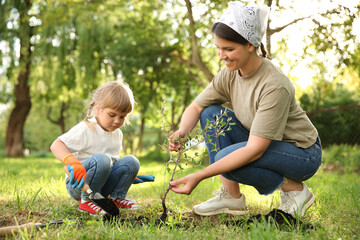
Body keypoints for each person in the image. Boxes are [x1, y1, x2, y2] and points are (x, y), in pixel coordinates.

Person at [168, 1, 322, 218]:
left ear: (251, 44)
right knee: (210, 114)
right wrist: (183, 131)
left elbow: (254, 150)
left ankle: (295, 190)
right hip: (263, 142)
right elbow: (196, 106)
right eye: (219, 48)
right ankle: (232, 198)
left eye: (229, 49)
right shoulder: (230, 72)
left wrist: (199, 175)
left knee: (226, 161)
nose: (222, 56)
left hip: (301, 153)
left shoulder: (274, 85)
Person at [50, 81, 140, 215]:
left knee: (132, 162)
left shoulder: (117, 134)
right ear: (98, 108)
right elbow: (56, 145)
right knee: (103, 159)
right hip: (79, 184)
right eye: (112, 115)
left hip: (102, 186)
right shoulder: (85, 129)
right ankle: (86, 202)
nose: (117, 121)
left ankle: (116, 198)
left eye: (122, 116)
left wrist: (127, 174)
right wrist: (72, 162)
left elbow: (113, 163)